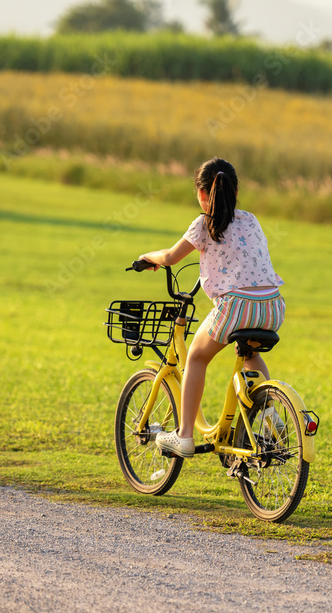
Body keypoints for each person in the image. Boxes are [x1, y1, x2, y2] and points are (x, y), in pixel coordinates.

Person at [137, 157, 285, 458]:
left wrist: (147, 257)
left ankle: (185, 436)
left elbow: (170, 257)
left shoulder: (204, 224)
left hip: (237, 305)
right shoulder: (251, 219)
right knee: (249, 352)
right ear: (235, 190)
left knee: (196, 357)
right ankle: (272, 415)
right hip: (273, 305)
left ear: (202, 194)